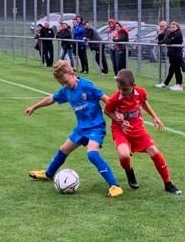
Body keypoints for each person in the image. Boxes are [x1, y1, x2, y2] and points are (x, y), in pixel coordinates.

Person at [25, 60, 123, 197]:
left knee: (92, 154)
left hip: (96, 127)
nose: (65, 85)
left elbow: (105, 98)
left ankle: (114, 185)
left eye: (66, 81)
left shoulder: (87, 86)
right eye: (62, 83)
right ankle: (48, 174)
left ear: (71, 72)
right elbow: (51, 99)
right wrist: (34, 107)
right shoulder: (66, 91)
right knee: (63, 149)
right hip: (81, 128)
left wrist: (117, 113)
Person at [104, 68, 182, 195]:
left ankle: (168, 184)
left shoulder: (140, 92)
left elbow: (144, 102)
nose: (122, 92)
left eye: (125, 89)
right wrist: (119, 120)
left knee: (154, 151)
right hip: (120, 130)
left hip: (137, 128)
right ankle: (129, 171)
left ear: (133, 86)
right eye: (119, 88)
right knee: (124, 155)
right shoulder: (115, 98)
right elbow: (107, 111)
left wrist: (155, 117)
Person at [158, 21, 185, 91]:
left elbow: (168, 41)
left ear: (177, 27)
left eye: (174, 27)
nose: (172, 28)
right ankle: (165, 84)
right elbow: (164, 40)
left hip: (177, 54)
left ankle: (179, 85)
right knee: (171, 70)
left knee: (177, 70)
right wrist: (160, 35)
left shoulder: (178, 34)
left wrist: (167, 40)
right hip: (172, 54)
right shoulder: (171, 33)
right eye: (171, 27)